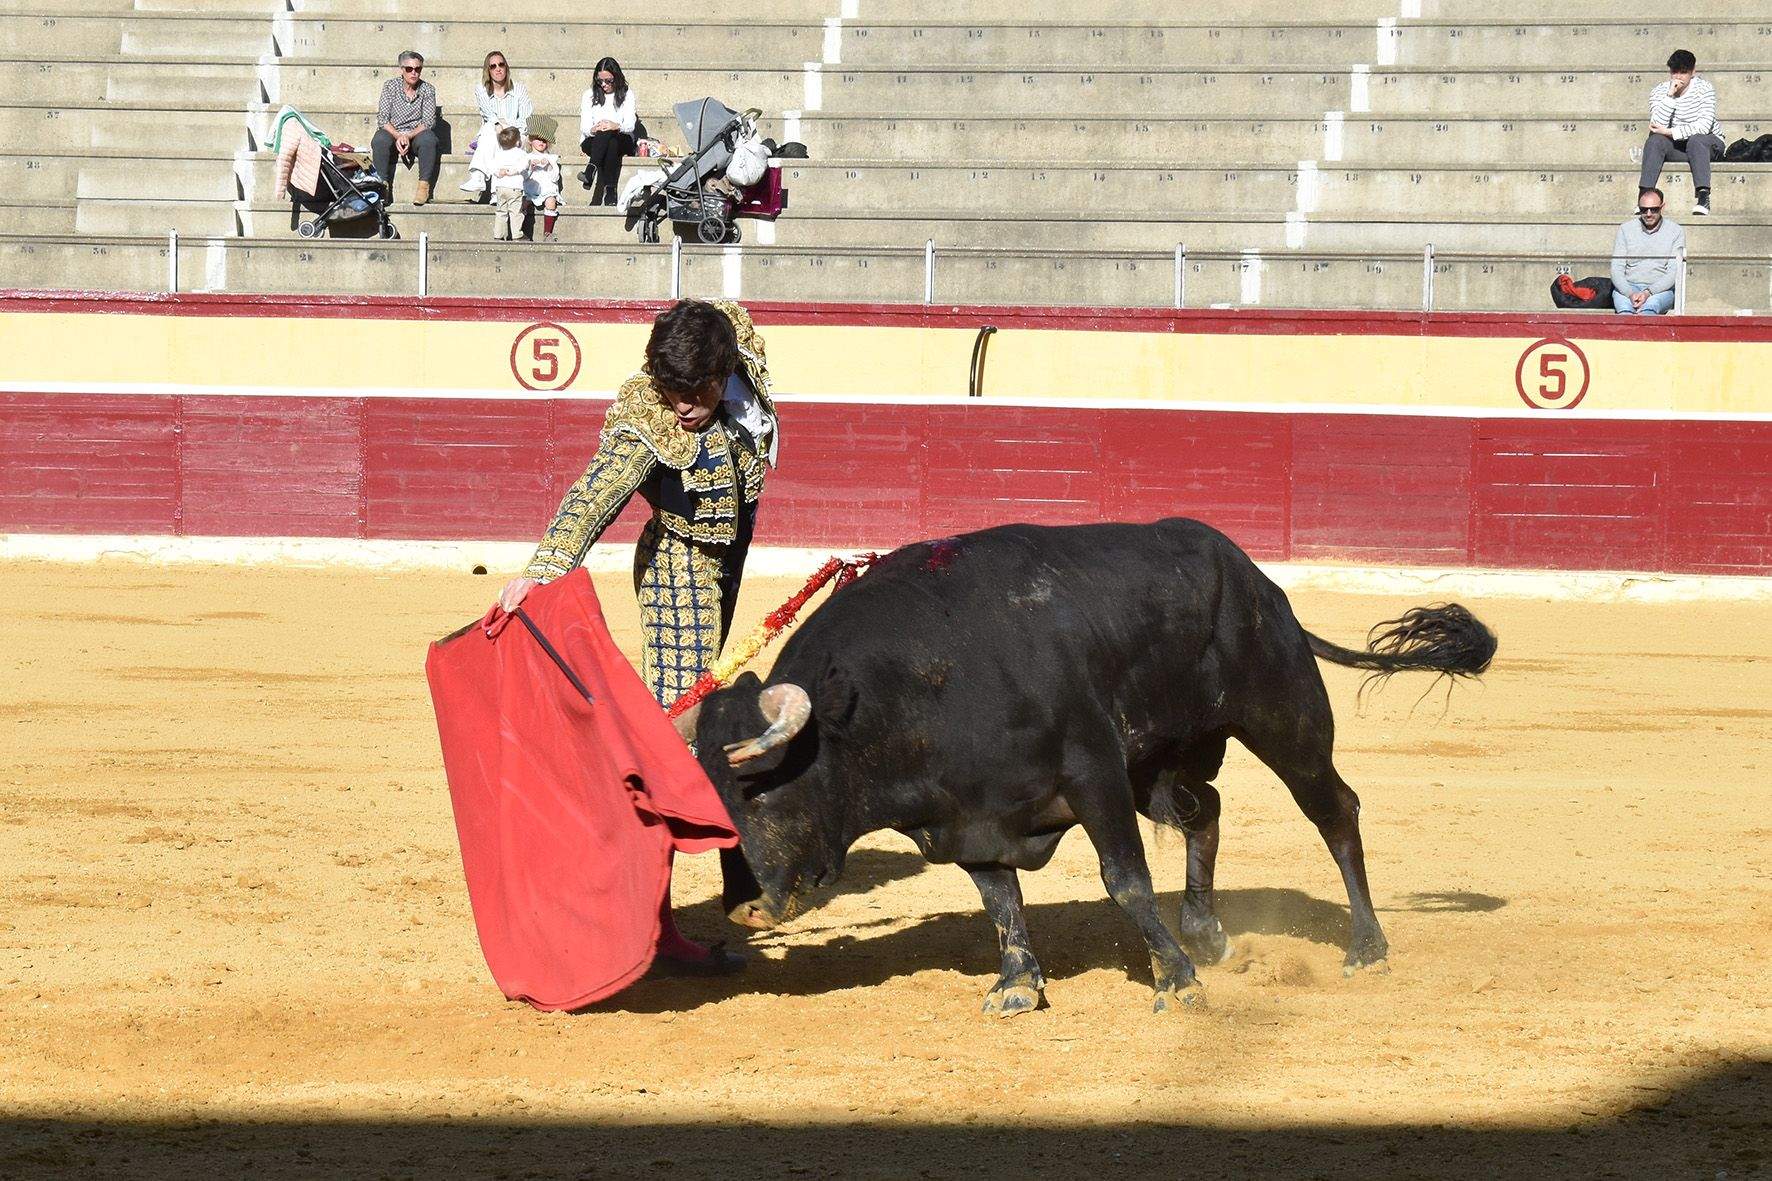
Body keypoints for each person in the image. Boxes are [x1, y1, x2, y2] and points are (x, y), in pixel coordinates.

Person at [496, 300, 779, 973]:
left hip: (726, 563)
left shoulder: (735, 345)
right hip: (680, 566)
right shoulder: (646, 417)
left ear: (724, 371)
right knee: (670, 741)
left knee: (691, 725)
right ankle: (649, 928)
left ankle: (702, 883)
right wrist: (542, 570)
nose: (682, 406)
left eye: (697, 391)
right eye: (672, 390)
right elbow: (594, 494)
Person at [1638, 49, 1723, 217]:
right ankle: (1644, 197)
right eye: (1674, 72)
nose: (1678, 77)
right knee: (1655, 140)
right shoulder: (1659, 91)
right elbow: (1656, 125)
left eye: (1683, 72)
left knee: (1696, 140)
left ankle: (1703, 197)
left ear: (1693, 72)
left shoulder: (1705, 89)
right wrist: (1670, 96)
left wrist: (1669, 131)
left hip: (1707, 145)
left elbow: (1704, 127)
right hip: (1678, 147)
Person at [459, 50, 533, 198]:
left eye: (501, 64)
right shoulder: (481, 89)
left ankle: (488, 185)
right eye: (493, 66)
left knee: (494, 133)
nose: (498, 69)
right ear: (488, 70)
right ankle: (480, 179)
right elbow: (488, 114)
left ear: (506, 67)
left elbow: (526, 117)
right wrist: (498, 125)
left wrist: (506, 128)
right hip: (494, 133)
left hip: (517, 134)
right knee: (490, 131)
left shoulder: (519, 89)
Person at [371, 50, 440, 206]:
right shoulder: (390, 86)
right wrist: (398, 135)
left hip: (416, 134)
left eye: (418, 69)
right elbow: (383, 119)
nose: (414, 73)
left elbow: (428, 121)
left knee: (429, 139)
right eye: (409, 69)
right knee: (380, 139)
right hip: (393, 131)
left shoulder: (428, 89)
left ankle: (423, 186)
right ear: (402, 69)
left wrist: (408, 136)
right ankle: (382, 186)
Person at [1610, 188, 1683, 315]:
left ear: (1662, 207)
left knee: (1650, 307)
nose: (1648, 214)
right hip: (1629, 287)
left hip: (1660, 291)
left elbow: (1674, 272)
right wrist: (1629, 293)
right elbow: (1616, 268)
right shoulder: (1625, 229)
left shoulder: (1676, 231)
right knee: (1624, 309)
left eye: (1653, 209)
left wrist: (1648, 292)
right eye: (1643, 210)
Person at [579, 56, 636, 205]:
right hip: (594, 140)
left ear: (616, 77)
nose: (604, 84)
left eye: (608, 80)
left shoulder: (627, 94)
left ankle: (590, 170)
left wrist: (615, 125)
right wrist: (594, 128)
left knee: (611, 138)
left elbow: (630, 125)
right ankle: (610, 191)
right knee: (609, 141)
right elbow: (584, 127)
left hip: (622, 137)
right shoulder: (589, 95)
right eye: (600, 81)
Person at [523, 116, 564, 242]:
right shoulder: (526, 157)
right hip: (530, 188)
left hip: (546, 189)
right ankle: (520, 230)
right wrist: (530, 167)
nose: (541, 142)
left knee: (551, 202)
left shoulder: (552, 158)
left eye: (544, 140)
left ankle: (547, 232)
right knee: (522, 204)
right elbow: (523, 176)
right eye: (538, 139)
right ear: (530, 140)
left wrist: (550, 166)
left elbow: (555, 177)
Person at [488, 126, 529, 240]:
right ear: (517, 142)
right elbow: (525, 164)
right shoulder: (520, 153)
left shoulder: (498, 154)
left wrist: (498, 172)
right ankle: (517, 234)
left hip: (500, 187)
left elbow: (492, 167)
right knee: (515, 212)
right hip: (514, 188)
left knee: (501, 211)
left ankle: (499, 234)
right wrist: (514, 171)